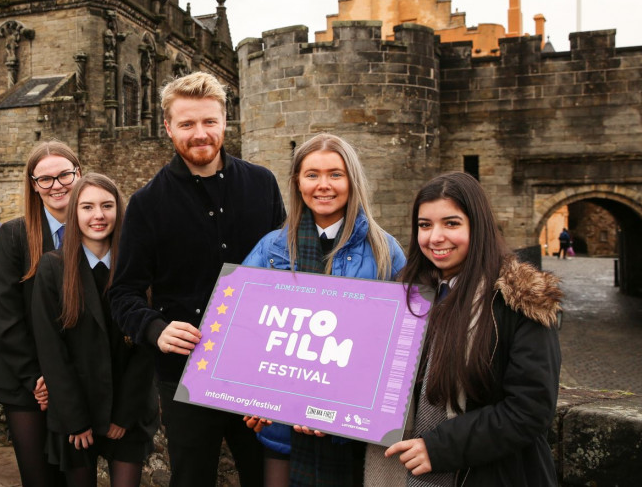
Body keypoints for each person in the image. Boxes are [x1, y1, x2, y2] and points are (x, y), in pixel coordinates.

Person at [110, 71, 285, 486]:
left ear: (225, 121)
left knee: (265, 476)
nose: (200, 133)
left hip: (257, 369)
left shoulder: (262, 184)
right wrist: (155, 328)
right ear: (168, 127)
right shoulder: (147, 203)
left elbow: (286, 273)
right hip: (185, 376)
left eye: (209, 121)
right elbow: (123, 292)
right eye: (187, 124)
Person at [241, 133, 406, 486]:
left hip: (353, 433)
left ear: (352, 181)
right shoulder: (270, 249)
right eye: (312, 174)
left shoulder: (385, 251)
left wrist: (337, 407)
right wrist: (251, 396)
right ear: (298, 182)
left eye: (335, 174)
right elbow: (241, 331)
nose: (323, 185)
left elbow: (401, 347)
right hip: (282, 428)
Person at [379, 171, 561, 485]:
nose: (435, 237)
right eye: (425, 225)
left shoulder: (519, 301)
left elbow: (530, 410)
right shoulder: (408, 298)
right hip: (404, 472)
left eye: (451, 223)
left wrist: (440, 448)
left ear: (477, 226)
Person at [32, 173, 158, 487]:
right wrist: (75, 419)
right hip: (77, 412)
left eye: (107, 206)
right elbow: (51, 350)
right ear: (74, 214)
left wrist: (123, 416)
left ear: (120, 211)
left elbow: (147, 348)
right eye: (87, 207)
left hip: (128, 411)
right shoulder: (53, 268)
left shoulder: (140, 268)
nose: (98, 215)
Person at [0, 141, 82, 486]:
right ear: (33, 185)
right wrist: (37, 379)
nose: (56, 185)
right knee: (39, 479)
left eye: (64, 175)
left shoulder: (98, 231)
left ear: (79, 174)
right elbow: (4, 315)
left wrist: (65, 377)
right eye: (45, 179)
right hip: (27, 384)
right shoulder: (13, 235)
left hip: (79, 379)